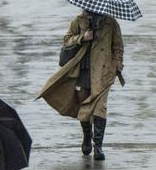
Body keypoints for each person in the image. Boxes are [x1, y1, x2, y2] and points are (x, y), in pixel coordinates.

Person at [37, 9, 124, 160]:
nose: (89, 11)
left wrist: (117, 65)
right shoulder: (78, 21)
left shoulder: (111, 23)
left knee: (99, 107)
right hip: (82, 70)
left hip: (102, 73)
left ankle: (98, 146)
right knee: (84, 106)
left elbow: (118, 47)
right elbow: (66, 40)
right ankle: (86, 136)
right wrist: (82, 38)